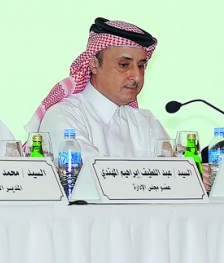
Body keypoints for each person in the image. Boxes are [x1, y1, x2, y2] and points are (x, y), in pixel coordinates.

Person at [25, 17, 167, 158]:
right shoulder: (64, 115)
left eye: (141, 66)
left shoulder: (146, 123)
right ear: (94, 65)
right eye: (123, 65)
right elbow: (94, 173)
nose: (136, 76)